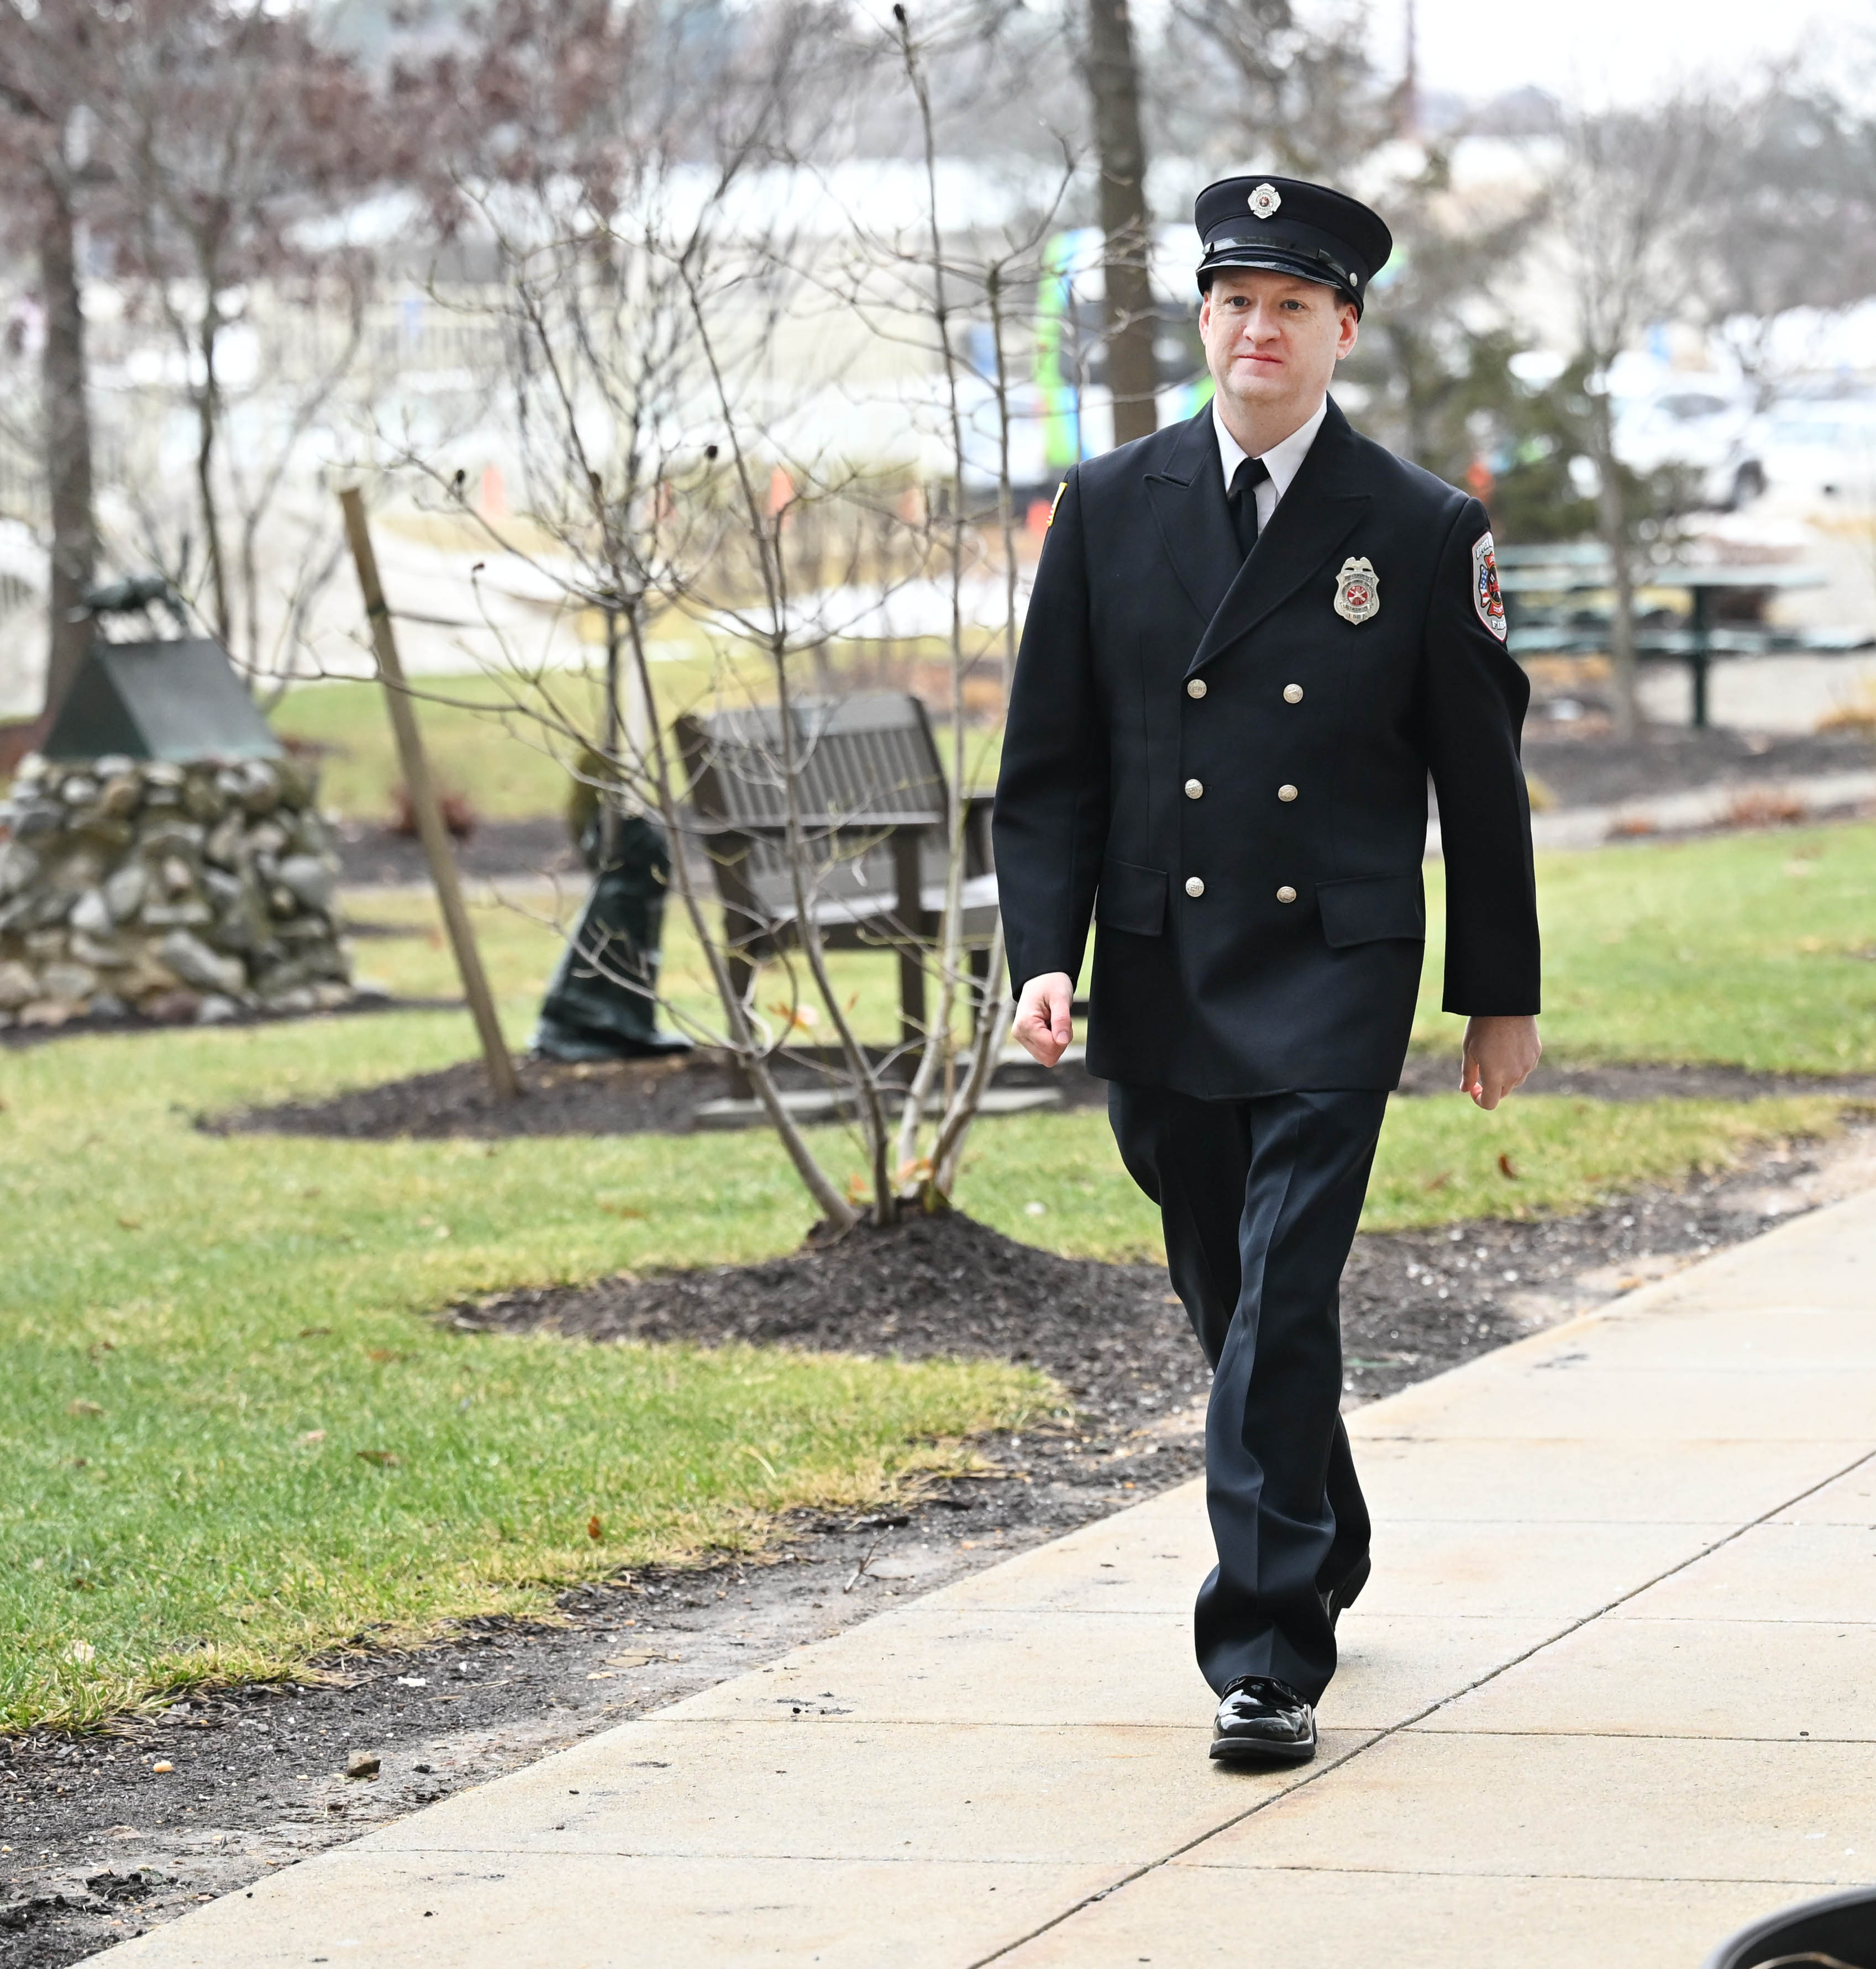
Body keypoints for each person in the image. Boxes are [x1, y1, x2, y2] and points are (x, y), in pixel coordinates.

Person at [992, 175, 1542, 1766]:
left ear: (1341, 329)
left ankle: (1262, 1648)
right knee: (1228, 1294)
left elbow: (1478, 780)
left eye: (1289, 305)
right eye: (1232, 299)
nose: (1255, 328)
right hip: (1161, 963)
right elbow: (1051, 769)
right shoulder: (1108, 505)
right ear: (1205, 321)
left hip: (1329, 966)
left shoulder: (1420, 527)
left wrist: (1495, 990)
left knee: (1283, 1285)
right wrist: (1044, 955)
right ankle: (1319, 1523)